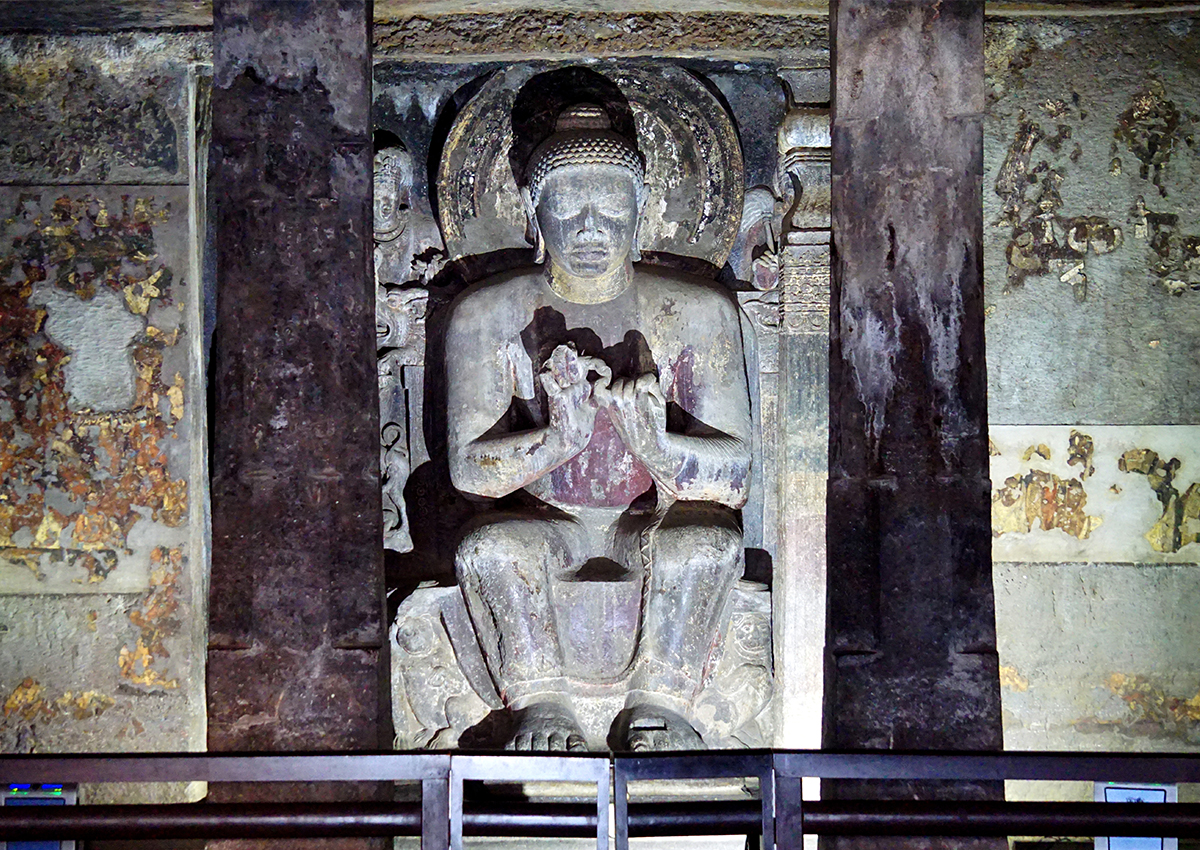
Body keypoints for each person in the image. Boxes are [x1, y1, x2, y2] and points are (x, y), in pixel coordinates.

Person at [445, 103, 752, 751]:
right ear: (534, 213)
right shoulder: (485, 313)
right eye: (569, 208)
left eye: (612, 209)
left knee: (707, 543)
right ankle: (540, 701)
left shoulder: (697, 312)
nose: (591, 229)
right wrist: (558, 441)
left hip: (654, 520)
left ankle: (661, 701)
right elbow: (469, 472)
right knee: (492, 547)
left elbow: (735, 476)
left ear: (641, 214)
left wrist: (658, 447)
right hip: (546, 520)